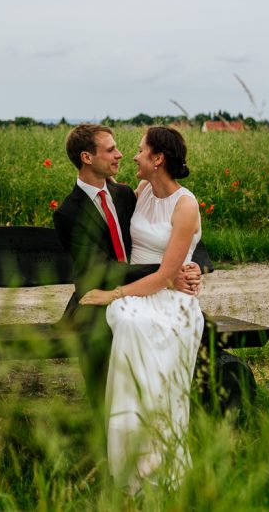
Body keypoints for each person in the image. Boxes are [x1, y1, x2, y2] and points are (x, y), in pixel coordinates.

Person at [78, 125, 205, 492]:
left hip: (169, 297)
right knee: (129, 321)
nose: (132, 156)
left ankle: (157, 452)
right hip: (138, 294)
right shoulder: (143, 190)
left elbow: (169, 274)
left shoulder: (186, 205)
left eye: (139, 150)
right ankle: (128, 449)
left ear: (157, 158)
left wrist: (112, 293)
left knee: (139, 324)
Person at [52, 124, 201, 415]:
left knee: (148, 325)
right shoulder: (69, 213)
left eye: (124, 148)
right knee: (101, 334)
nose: (121, 155)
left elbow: (167, 233)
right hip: (96, 294)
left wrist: (192, 267)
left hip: (144, 292)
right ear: (87, 157)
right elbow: (101, 271)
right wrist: (166, 272)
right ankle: (105, 418)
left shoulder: (126, 194)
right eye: (110, 150)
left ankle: (153, 409)